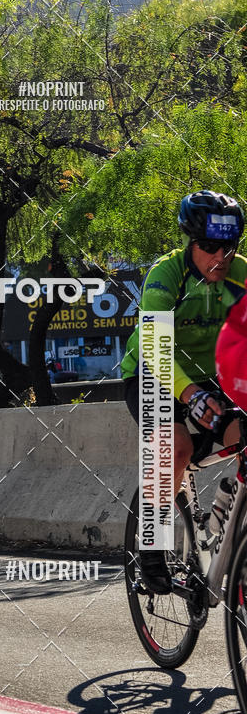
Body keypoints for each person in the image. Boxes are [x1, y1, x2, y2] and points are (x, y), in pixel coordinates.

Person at [121, 190, 247, 594]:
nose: (220, 257)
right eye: (210, 247)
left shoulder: (241, 274)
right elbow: (154, 346)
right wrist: (190, 395)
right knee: (175, 447)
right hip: (153, 372)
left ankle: (226, 511)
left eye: (229, 246)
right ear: (190, 242)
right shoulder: (166, 275)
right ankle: (152, 547)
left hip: (214, 377)